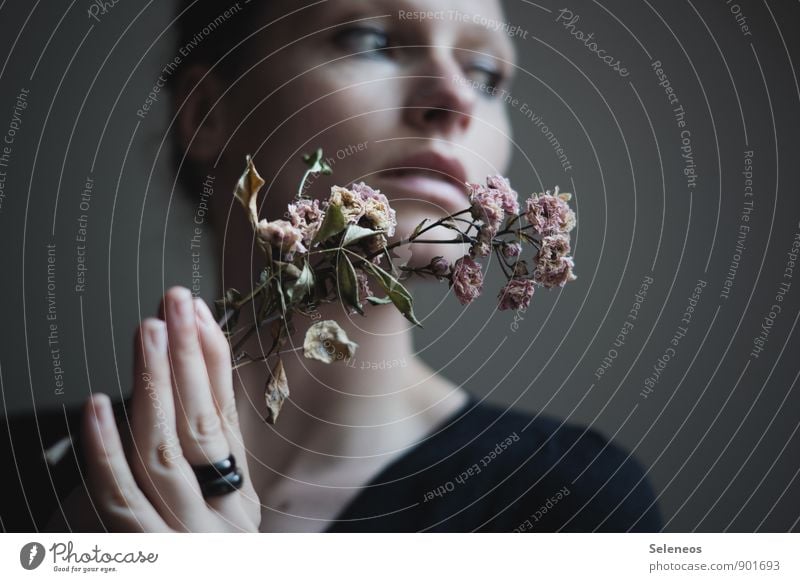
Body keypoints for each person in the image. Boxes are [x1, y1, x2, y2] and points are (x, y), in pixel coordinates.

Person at [2, 0, 663, 532]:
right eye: (372, 40)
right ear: (207, 114)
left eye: (487, 76)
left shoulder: (569, 507)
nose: (455, 98)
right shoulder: (26, 481)